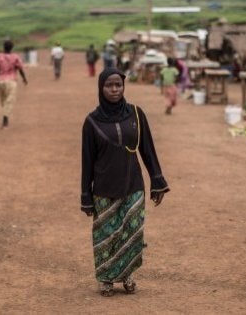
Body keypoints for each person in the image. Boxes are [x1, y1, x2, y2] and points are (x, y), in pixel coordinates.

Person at [81, 68, 170, 297]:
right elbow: (87, 162)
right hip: (104, 189)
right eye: (109, 85)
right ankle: (106, 279)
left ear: (123, 87)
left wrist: (157, 181)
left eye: (118, 85)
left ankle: (128, 274)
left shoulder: (136, 115)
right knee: (106, 235)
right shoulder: (91, 122)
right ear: (101, 88)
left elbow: (148, 150)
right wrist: (86, 197)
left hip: (133, 186)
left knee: (131, 233)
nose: (114, 89)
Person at [0, 40, 28, 129]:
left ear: (3, 47)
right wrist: (24, 78)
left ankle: (5, 116)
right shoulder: (15, 57)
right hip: (11, 81)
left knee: (3, 101)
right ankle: (5, 119)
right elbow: (20, 69)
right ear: (12, 48)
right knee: (10, 100)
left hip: (0, 81)